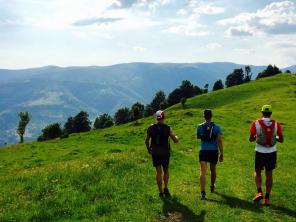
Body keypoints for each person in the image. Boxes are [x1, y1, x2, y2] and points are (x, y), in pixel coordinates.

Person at [249, 105, 283, 205]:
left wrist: (256, 137)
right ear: (271, 113)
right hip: (272, 152)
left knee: (257, 171)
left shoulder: (256, 123)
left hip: (259, 151)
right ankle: (267, 198)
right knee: (269, 174)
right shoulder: (276, 124)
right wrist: (274, 137)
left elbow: (251, 138)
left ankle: (259, 192)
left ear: (262, 113)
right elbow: (281, 139)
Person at [145, 110, 179, 197]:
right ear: (164, 117)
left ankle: (160, 191)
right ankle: (166, 188)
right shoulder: (167, 128)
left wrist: (149, 149)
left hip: (155, 152)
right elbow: (175, 140)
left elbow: (146, 140)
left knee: (158, 172)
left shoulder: (151, 128)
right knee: (166, 170)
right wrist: (176, 137)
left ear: (156, 117)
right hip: (165, 152)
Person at [197, 109, 223, 200]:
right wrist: (222, 153)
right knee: (213, 170)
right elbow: (219, 141)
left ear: (204, 116)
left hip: (203, 151)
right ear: (211, 116)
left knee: (202, 172)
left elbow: (198, 137)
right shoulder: (217, 127)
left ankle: (203, 193)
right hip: (213, 151)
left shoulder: (199, 127)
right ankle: (212, 186)